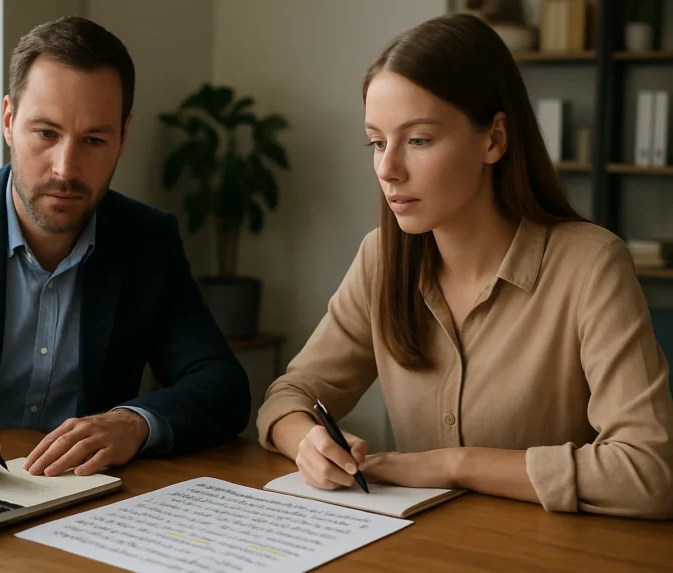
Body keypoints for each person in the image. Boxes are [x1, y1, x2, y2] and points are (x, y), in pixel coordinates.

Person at [257, 13, 673, 520]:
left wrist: (455, 464)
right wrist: (307, 442)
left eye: (419, 140)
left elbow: (649, 472)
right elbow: (289, 396)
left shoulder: (591, 266)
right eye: (377, 141)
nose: (387, 169)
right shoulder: (381, 258)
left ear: (494, 139)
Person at [0, 16, 249, 478]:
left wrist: (132, 423)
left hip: (77, 504)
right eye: (46, 133)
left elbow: (223, 385)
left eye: (94, 139)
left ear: (123, 138)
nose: (65, 168)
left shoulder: (147, 240)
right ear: (9, 121)